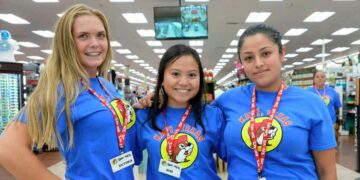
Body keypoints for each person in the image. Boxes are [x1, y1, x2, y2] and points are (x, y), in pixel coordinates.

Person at [0, 4, 140, 179]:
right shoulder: (62, 89)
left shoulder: (106, 85)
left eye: (100, 35)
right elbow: (7, 148)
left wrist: (141, 106)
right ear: (67, 43)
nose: (95, 43)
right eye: (83, 36)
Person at [212, 24, 337, 179]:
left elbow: (327, 172)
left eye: (265, 53)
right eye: (249, 58)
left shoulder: (312, 103)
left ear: (281, 53)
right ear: (241, 64)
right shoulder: (226, 101)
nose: (258, 63)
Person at [136, 44, 225, 179]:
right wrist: (131, 111)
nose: (184, 82)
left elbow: (238, 157)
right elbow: (122, 156)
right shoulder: (144, 116)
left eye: (192, 75)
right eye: (175, 74)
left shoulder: (213, 115)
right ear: (162, 78)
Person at [308, 70, 342, 144]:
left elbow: (337, 107)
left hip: (330, 123)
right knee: (315, 144)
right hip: (314, 123)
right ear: (313, 79)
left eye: (322, 77)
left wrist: (337, 124)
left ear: (325, 79)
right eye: (317, 77)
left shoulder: (332, 91)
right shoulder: (308, 92)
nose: (320, 78)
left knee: (330, 145)